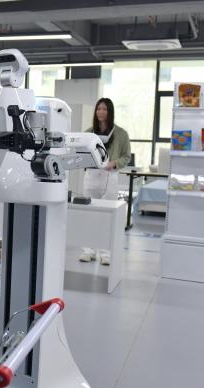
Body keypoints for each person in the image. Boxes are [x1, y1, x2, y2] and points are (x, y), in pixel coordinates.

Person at [79, 97, 131, 265]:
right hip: (91, 176)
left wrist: (114, 163)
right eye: (98, 109)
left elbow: (126, 156)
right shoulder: (88, 133)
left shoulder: (121, 134)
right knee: (89, 215)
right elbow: (81, 153)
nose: (101, 112)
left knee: (107, 215)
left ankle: (106, 253)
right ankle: (88, 251)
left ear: (110, 112)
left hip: (110, 176)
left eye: (104, 109)